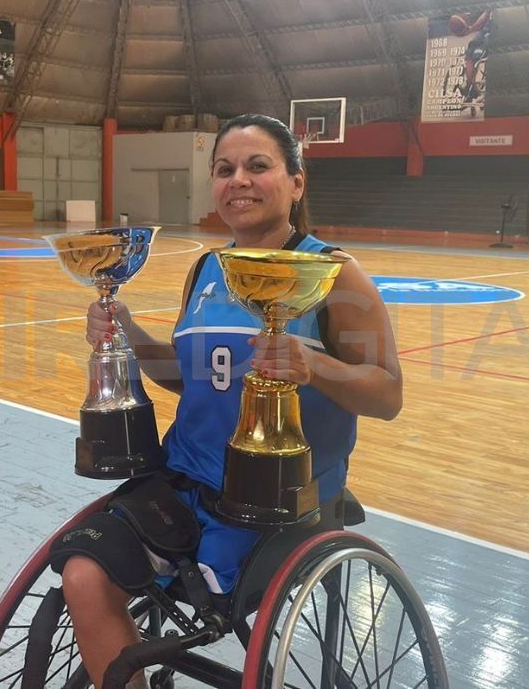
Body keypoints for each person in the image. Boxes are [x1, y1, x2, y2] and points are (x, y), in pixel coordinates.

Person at [62, 114, 405, 689]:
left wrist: (312, 363)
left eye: (258, 166)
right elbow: (189, 377)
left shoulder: (336, 274)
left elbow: (388, 393)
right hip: (183, 480)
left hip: (277, 497)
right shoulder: (207, 269)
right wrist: (126, 329)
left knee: (209, 586)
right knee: (82, 573)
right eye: (225, 170)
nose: (238, 180)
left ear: (296, 181)